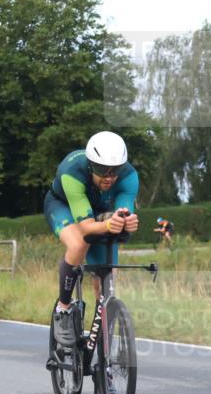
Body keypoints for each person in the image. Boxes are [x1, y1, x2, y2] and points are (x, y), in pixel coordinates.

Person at [43, 131, 139, 347]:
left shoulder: (130, 177)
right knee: (79, 243)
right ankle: (64, 308)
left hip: (100, 212)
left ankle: (103, 348)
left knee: (106, 283)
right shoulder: (72, 172)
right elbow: (86, 228)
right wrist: (107, 224)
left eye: (115, 171)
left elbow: (124, 212)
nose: (108, 177)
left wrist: (127, 223)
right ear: (89, 165)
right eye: (101, 171)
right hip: (63, 206)